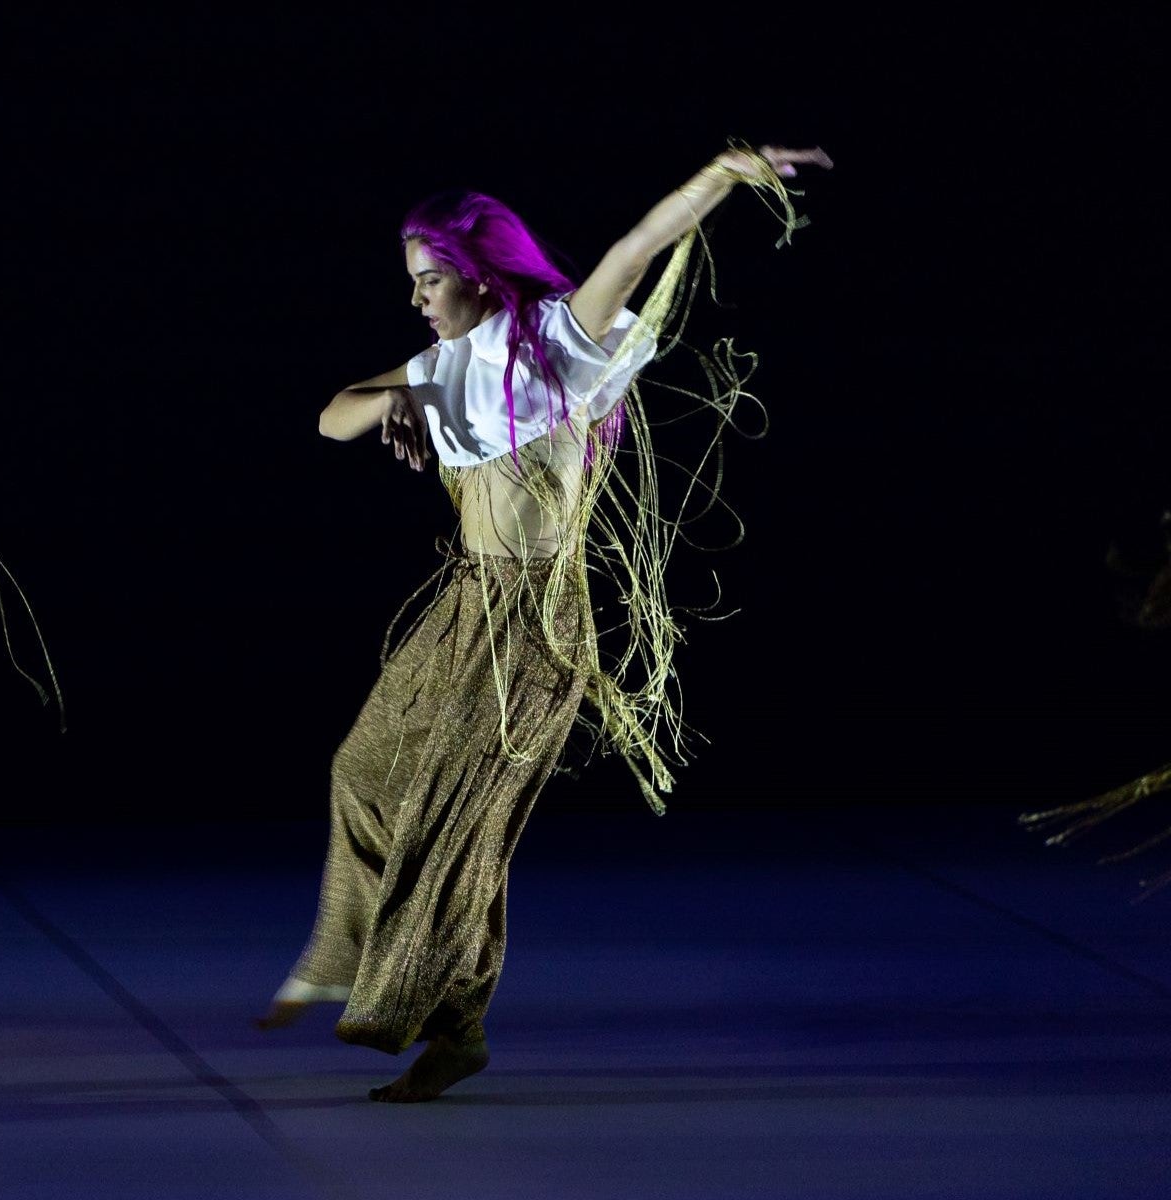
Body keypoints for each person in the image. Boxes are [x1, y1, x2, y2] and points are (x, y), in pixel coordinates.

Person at [257, 145, 833, 1102]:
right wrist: (395, 393)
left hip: (535, 618)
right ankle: (407, 991)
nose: (418, 299)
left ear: (479, 274)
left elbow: (639, 245)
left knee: (461, 823)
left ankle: (431, 1015)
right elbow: (328, 419)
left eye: (430, 279)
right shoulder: (441, 363)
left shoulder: (560, 339)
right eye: (412, 282)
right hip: (461, 602)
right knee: (362, 770)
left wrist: (728, 173)